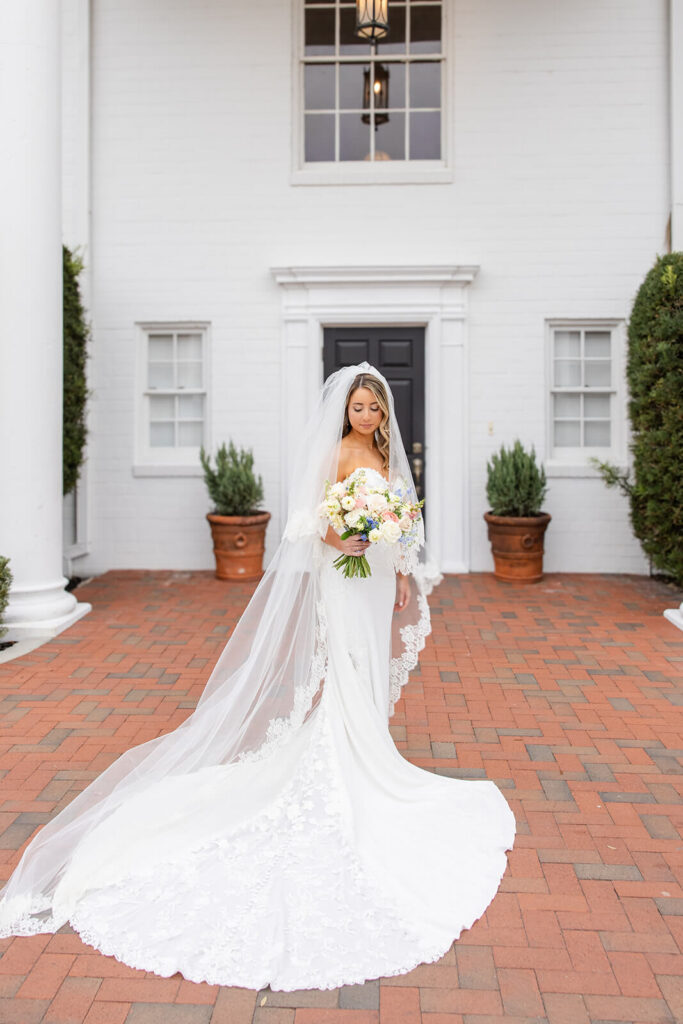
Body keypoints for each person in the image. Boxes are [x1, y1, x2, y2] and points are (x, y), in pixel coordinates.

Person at [0, 361, 516, 991]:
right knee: (348, 668)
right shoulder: (335, 453)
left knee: (370, 670)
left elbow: (401, 518)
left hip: (377, 579)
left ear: (383, 412)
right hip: (342, 576)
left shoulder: (384, 454)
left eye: (373, 408)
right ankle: (346, 764)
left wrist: (400, 568)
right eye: (358, 408)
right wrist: (343, 538)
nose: (366, 417)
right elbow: (309, 522)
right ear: (345, 410)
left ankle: (371, 752)